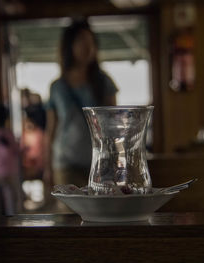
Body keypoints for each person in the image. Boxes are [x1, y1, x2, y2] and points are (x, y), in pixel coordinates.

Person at [45, 19, 118, 189]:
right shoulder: (57, 87)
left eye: (90, 42)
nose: (87, 47)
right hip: (65, 163)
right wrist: (47, 168)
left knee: (101, 212)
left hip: (101, 163)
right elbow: (51, 130)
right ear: (69, 46)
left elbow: (114, 126)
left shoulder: (104, 82)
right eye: (81, 41)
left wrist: (116, 162)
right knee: (68, 213)